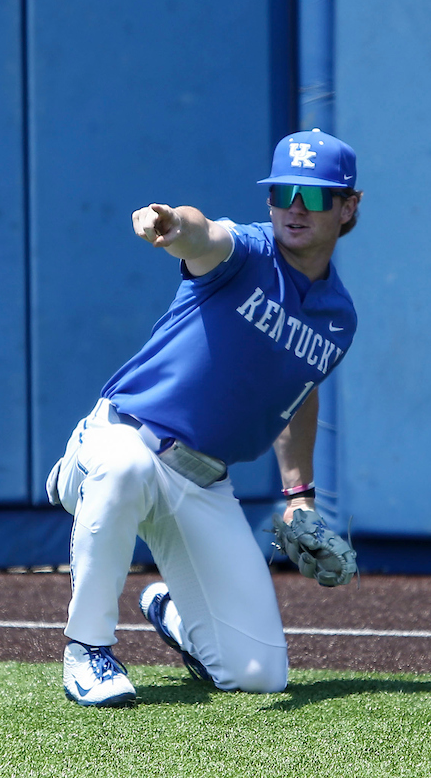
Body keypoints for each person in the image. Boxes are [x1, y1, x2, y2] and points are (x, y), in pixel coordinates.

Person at [44, 129, 363, 707]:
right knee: (121, 471)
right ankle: (86, 649)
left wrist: (301, 496)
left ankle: (173, 610)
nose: (295, 206)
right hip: (127, 437)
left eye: (315, 195)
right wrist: (173, 226)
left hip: (203, 480)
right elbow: (203, 231)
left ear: (348, 206)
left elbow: (298, 390)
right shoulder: (246, 251)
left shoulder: (339, 317)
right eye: (283, 191)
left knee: (258, 675)